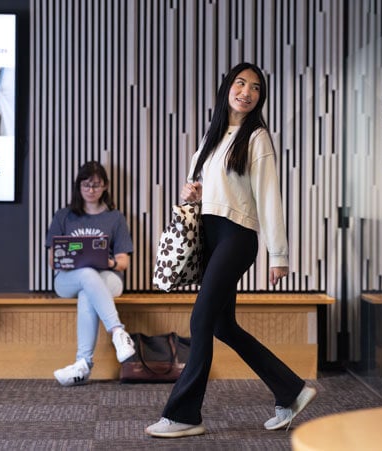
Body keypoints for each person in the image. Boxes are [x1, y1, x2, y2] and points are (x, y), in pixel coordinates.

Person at [145, 62, 316, 438]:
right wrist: (190, 193)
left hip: (237, 237)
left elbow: (270, 198)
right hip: (212, 236)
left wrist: (279, 254)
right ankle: (291, 389)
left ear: (260, 98)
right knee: (223, 325)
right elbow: (205, 192)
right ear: (227, 89)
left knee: (200, 320)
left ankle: (184, 414)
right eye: (240, 84)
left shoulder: (257, 138)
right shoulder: (212, 138)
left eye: (255, 88)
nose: (247, 92)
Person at [46, 161, 136, 386]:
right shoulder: (64, 216)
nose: (91, 190)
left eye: (96, 185)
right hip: (68, 280)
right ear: (79, 186)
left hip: (109, 279)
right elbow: (52, 260)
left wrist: (108, 262)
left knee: (89, 290)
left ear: (105, 186)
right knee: (86, 275)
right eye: (86, 185)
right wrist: (68, 259)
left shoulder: (114, 218)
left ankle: (82, 364)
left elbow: (124, 262)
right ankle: (118, 332)